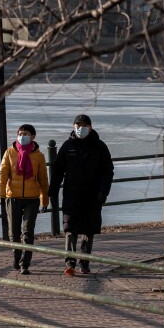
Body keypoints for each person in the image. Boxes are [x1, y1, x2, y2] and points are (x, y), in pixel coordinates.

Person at [49, 114, 114, 276]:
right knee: (70, 229)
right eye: (78, 125)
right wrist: (52, 192)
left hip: (93, 196)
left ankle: (84, 261)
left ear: (90, 127)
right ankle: (70, 261)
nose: (80, 128)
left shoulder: (100, 147)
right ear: (73, 127)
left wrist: (103, 191)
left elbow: (108, 171)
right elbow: (57, 171)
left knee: (88, 230)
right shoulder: (67, 146)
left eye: (84, 125)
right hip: (72, 195)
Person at [0, 124, 49, 275]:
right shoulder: (10, 153)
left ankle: (25, 263)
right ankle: (16, 255)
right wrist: (1, 194)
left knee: (28, 231)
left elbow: (43, 179)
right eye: (20, 133)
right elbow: (3, 174)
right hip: (13, 197)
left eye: (26, 134)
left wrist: (44, 200)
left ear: (33, 137)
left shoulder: (39, 156)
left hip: (32, 199)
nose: (22, 136)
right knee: (13, 231)